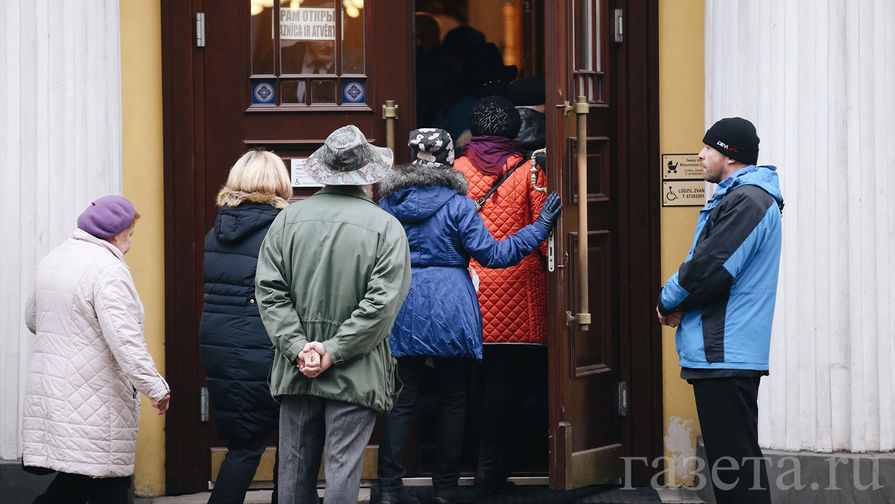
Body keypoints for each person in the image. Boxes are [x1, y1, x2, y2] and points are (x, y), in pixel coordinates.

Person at [375, 129, 562, 504]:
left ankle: (389, 489)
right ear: (449, 160)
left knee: (401, 397)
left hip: (403, 302)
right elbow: (494, 255)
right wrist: (539, 227)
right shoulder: (460, 205)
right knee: (453, 396)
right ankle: (446, 487)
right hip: (452, 303)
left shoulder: (388, 204)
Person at [255, 125, 412, 504]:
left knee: (293, 470)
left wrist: (299, 348)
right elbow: (382, 305)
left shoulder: (287, 220)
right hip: (357, 369)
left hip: (297, 367)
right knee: (344, 471)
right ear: (368, 175)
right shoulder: (387, 227)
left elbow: (269, 293)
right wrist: (333, 350)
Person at [656, 117, 783, 504]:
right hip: (722, 352)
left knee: (736, 471)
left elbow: (708, 269)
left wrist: (666, 300)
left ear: (729, 155)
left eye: (708, 147)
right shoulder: (741, 198)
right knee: (735, 468)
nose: (700, 154)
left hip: (724, 351)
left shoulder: (748, 201)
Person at [23, 195, 171, 504]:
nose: (129, 245)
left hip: (58, 392)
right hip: (97, 396)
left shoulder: (54, 259)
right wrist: (155, 387)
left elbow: (33, 319)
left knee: (76, 480)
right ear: (115, 234)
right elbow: (126, 340)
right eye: (129, 236)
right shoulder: (107, 269)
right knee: (108, 481)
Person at [453, 95, 551, 495]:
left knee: (468, 384)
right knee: (505, 383)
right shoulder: (530, 171)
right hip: (517, 295)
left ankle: (462, 463)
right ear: (514, 130)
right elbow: (544, 238)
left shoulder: (454, 172)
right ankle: (491, 470)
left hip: (466, 292)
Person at [199, 150, 293, 504]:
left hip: (221, 344)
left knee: (244, 443)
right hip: (263, 344)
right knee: (290, 439)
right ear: (278, 182)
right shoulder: (282, 230)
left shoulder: (217, 230)